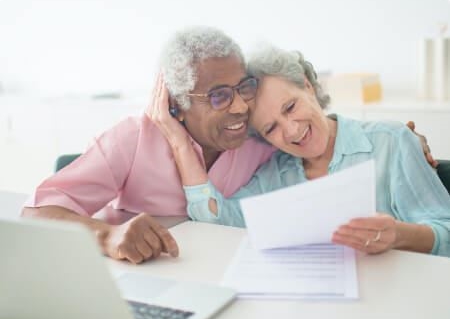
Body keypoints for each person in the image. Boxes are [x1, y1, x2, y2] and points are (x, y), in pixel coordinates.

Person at [151, 45, 450, 257]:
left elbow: (445, 233)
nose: (292, 131)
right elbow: (216, 222)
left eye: (290, 107)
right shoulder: (275, 174)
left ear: (307, 86)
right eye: (271, 128)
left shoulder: (391, 142)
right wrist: (180, 144)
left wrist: (398, 235)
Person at [22, 26, 276, 264]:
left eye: (244, 87)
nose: (241, 106)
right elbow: (36, 215)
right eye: (218, 96)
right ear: (176, 104)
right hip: (146, 278)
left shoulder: (262, 138)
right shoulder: (132, 139)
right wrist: (107, 235)